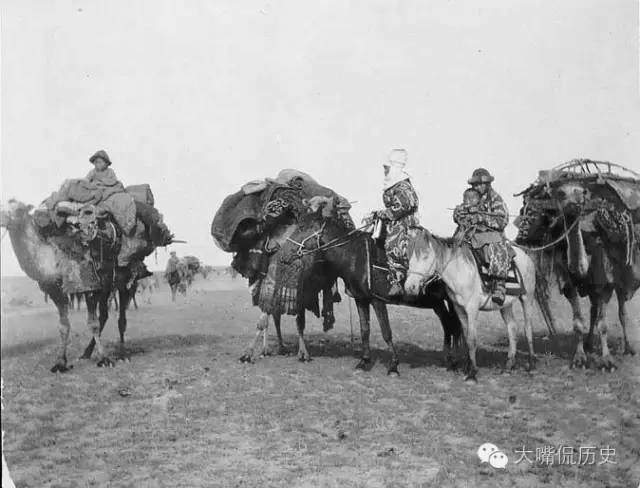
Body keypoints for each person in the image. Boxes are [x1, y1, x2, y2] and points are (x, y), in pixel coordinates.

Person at [367, 149, 420, 297]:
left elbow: (405, 205)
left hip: (404, 223)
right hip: (394, 221)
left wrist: (383, 213)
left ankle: (398, 281)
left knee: (392, 243)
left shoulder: (403, 186)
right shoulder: (394, 185)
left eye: (387, 168)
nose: (385, 171)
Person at [453, 168, 510, 305]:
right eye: (475, 185)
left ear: (487, 184)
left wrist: (480, 217)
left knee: (496, 249)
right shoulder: (470, 196)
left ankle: (499, 284)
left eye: (480, 184)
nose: (477, 187)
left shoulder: (495, 199)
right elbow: (458, 215)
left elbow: (502, 221)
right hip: (470, 233)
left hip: (491, 234)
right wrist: (459, 213)